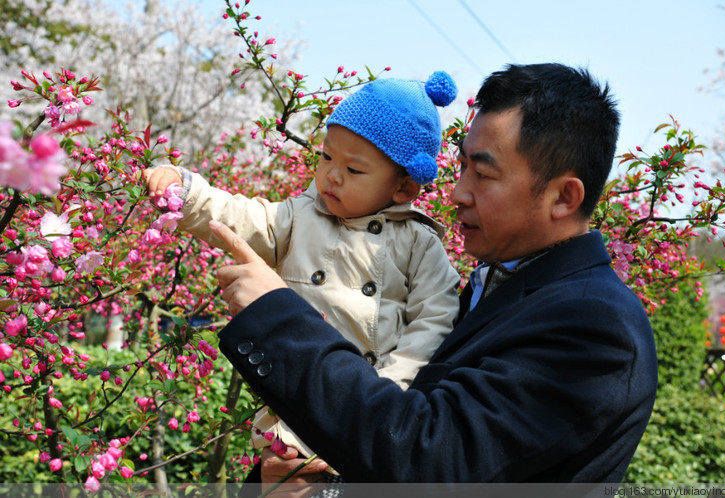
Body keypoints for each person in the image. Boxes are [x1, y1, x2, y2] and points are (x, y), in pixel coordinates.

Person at [211, 63, 659, 483]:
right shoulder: (493, 290)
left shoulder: (595, 326)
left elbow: (429, 459)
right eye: (461, 165)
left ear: (563, 197)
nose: (457, 193)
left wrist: (277, 315)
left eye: (482, 174)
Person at [143, 72, 462, 470]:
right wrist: (188, 191)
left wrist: (390, 389)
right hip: (294, 410)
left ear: (403, 189)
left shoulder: (419, 242)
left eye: (355, 170)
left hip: (375, 411)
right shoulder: (300, 217)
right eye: (327, 156)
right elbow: (243, 217)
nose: (332, 175)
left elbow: (435, 319)